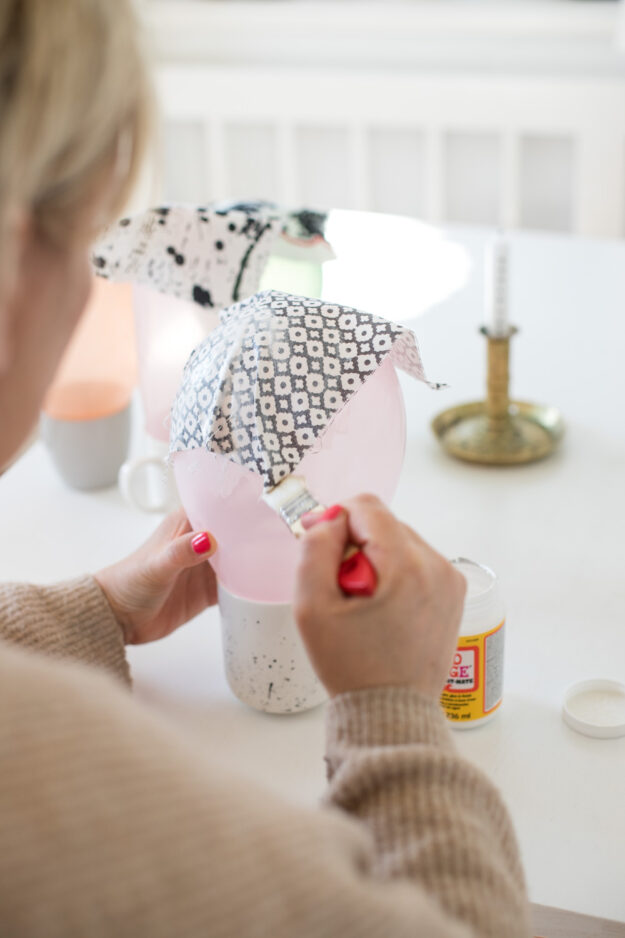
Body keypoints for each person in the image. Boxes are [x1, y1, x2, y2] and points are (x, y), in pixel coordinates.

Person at [0, 1, 532, 935]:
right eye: (90, 238)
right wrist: (394, 715)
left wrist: (91, 612)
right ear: (14, 266)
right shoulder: (52, 777)